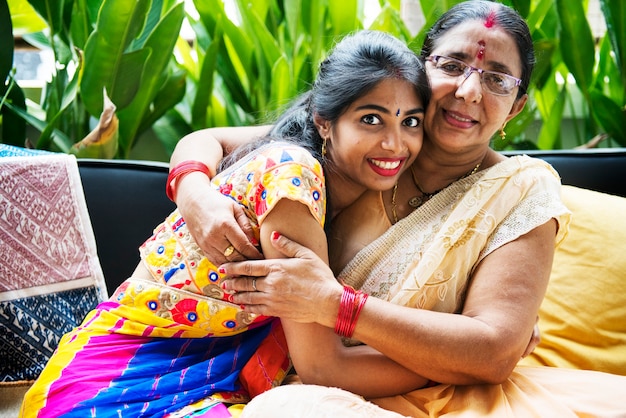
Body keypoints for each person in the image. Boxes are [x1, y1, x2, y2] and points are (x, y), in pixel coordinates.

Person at [169, 1, 626, 417]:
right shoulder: (370, 143)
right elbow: (217, 140)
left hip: (441, 395)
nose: (468, 91)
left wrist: (336, 304)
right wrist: (194, 194)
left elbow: (492, 351)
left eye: (496, 79)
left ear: (516, 107)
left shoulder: (520, 191)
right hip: (289, 376)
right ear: (421, 70)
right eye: (452, 65)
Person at [20, 30, 431, 417]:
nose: (395, 143)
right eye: (372, 120)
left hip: (170, 375)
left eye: (410, 121)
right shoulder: (294, 177)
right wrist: (450, 364)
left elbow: (207, 138)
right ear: (324, 120)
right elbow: (325, 369)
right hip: (113, 387)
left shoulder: (312, 149)